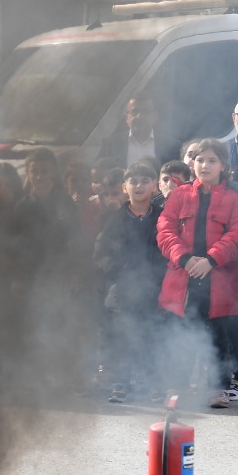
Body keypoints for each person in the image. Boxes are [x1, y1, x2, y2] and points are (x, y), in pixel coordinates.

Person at [156, 138, 238, 409]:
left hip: (220, 278)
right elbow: (165, 230)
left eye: (212, 160)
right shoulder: (179, 195)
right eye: (199, 160)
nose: (205, 165)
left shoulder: (236, 197)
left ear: (223, 165)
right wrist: (184, 259)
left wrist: (210, 260)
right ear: (192, 164)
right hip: (183, 277)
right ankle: (177, 385)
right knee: (181, 333)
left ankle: (218, 387)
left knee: (219, 335)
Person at [95, 162, 166, 402]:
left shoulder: (162, 217)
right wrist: (118, 268)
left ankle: (155, 383)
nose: (139, 186)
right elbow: (101, 253)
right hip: (123, 289)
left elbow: (169, 249)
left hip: (153, 288)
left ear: (155, 186)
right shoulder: (115, 218)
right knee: (123, 336)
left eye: (145, 181)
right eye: (133, 181)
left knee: (152, 336)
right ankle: (121, 382)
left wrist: (157, 272)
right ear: (124, 187)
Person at [103, 96, 169, 168]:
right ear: (126, 117)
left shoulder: (171, 146)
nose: (139, 116)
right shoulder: (111, 145)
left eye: (145, 111)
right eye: (134, 112)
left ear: (155, 116)